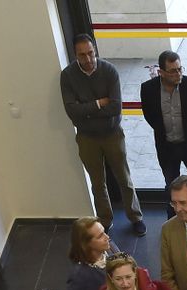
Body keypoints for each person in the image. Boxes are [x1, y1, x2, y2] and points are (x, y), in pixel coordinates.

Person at [60, 34, 145, 236]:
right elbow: (72, 111)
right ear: (75, 55)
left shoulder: (109, 71)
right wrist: (99, 103)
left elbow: (115, 107)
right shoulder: (68, 76)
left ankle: (136, 217)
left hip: (113, 134)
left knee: (124, 179)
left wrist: (86, 109)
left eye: (90, 53)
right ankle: (105, 220)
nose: (88, 59)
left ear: (95, 50)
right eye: (82, 55)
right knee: (98, 183)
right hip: (87, 137)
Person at [138, 50, 187, 190]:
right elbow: (150, 116)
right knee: (171, 186)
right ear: (161, 72)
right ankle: (174, 212)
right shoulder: (148, 89)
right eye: (172, 71)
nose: (178, 74)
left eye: (179, 69)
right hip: (167, 147)